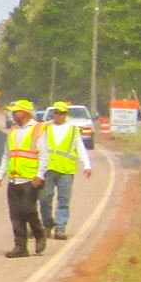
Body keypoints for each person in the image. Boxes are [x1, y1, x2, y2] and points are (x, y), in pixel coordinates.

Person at [2, 99, 47, 257]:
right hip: (14, 180)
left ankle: (39, 234)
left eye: (16, 111)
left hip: (30, 180)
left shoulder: (37, 130)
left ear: (26, 113)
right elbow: (7, 155)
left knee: (28, 210)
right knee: (15, 214)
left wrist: (39, 175)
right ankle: (20, 247)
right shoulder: (13, 131)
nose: (14, 114)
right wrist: (0, 175)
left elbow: (44, 155)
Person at [41, 99, 92, 238]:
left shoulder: (73, 130)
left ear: (66, 114)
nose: (58, 115)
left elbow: (80, 148)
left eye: (61, 113)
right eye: (56, 112)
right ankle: (47, 224)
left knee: (63, 200)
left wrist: (87, 165)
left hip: (66, 170)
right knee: (45, 198)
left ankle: (60, 228)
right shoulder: (45, 128)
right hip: (48, 168)